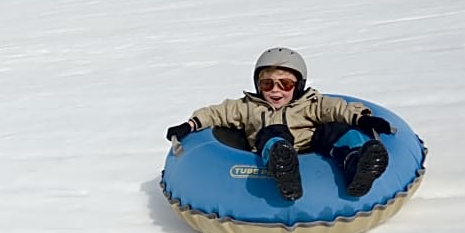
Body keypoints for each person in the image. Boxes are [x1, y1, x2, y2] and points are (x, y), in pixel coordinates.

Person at [165, 47, 394, 201]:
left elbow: (336, 108)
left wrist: (363, 118)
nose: (275, 90)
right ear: (258, 85)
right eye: (267, 84)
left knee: (335, 130)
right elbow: (216, 113)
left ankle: (357, 165)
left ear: (299, 86)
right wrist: (189, 125)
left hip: (310, 145)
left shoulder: (310, 103)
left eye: (285, 84)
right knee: (273, 133)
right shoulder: (248, 107)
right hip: (273, 148)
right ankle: (283, 168)